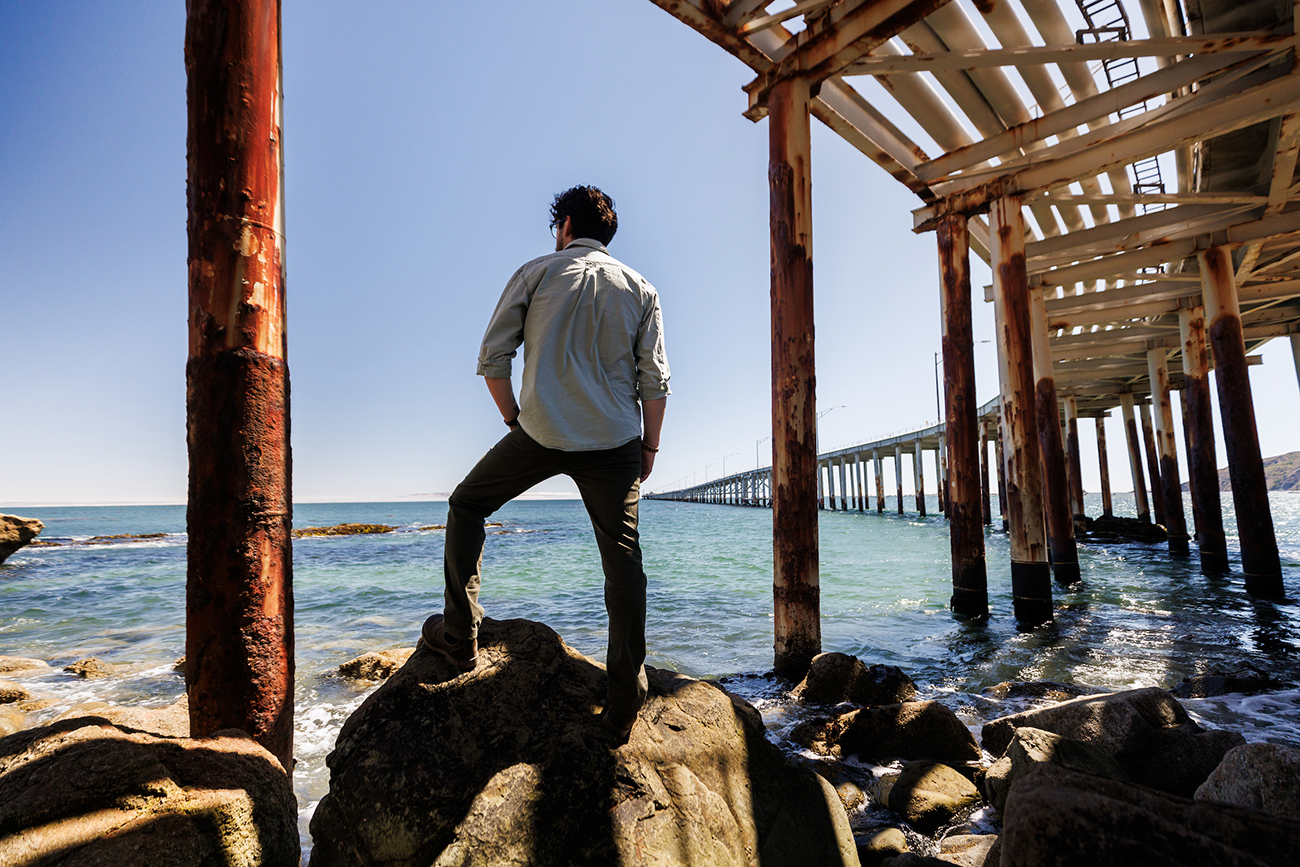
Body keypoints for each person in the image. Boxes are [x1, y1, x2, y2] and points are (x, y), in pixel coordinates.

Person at [421, 185, 670, 740]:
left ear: (564, 225)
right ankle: (625, 697)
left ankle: (460, 635)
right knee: (623, 562)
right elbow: (654, 382)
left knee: (467, 505)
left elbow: (493, 358)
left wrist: (515, 420)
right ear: (606, 235)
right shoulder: (641, 288)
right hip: (615, 441)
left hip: (539, 431)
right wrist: (649, 447)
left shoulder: (537, 272)